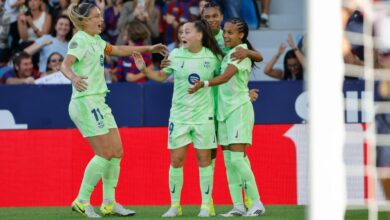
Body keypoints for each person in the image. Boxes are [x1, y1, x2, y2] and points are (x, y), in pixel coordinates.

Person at [60, 2, 167, 218]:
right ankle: (81, 200)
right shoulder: (79, 39)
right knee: (105, 153)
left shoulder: (97, 40)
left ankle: (109, 203)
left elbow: (118, 50)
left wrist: (148, 48)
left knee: (117, 152)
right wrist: (73, 77)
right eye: (95, 16)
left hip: (99, 101)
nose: (100, 20)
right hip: (85, 101)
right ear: (84, 21)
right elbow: (65, 64)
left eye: (100, 15)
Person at [133, 19, 224, 217]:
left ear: (199, 35)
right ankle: (175, 206)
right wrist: (144, 70)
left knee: (204, 160)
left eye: (187, 32)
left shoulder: (213, 57)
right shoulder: (175, 55)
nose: (182, 35)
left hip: (204, 116)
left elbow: (224, 79)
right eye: (181, 32)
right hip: (179, 116)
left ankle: (206, 206)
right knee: (176, 160)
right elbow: (160, 77)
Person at [188, 17, 266, 217]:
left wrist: (202, 84)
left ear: (242, 35)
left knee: (238, 160)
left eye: (231, 32)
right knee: (230, 161)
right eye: (225, 32)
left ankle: (256, 202)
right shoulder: (229, 54)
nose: (226, 35)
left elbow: (225, 77)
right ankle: (238, 206)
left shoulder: (241, 55)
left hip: (238, 110)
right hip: (224, 113)